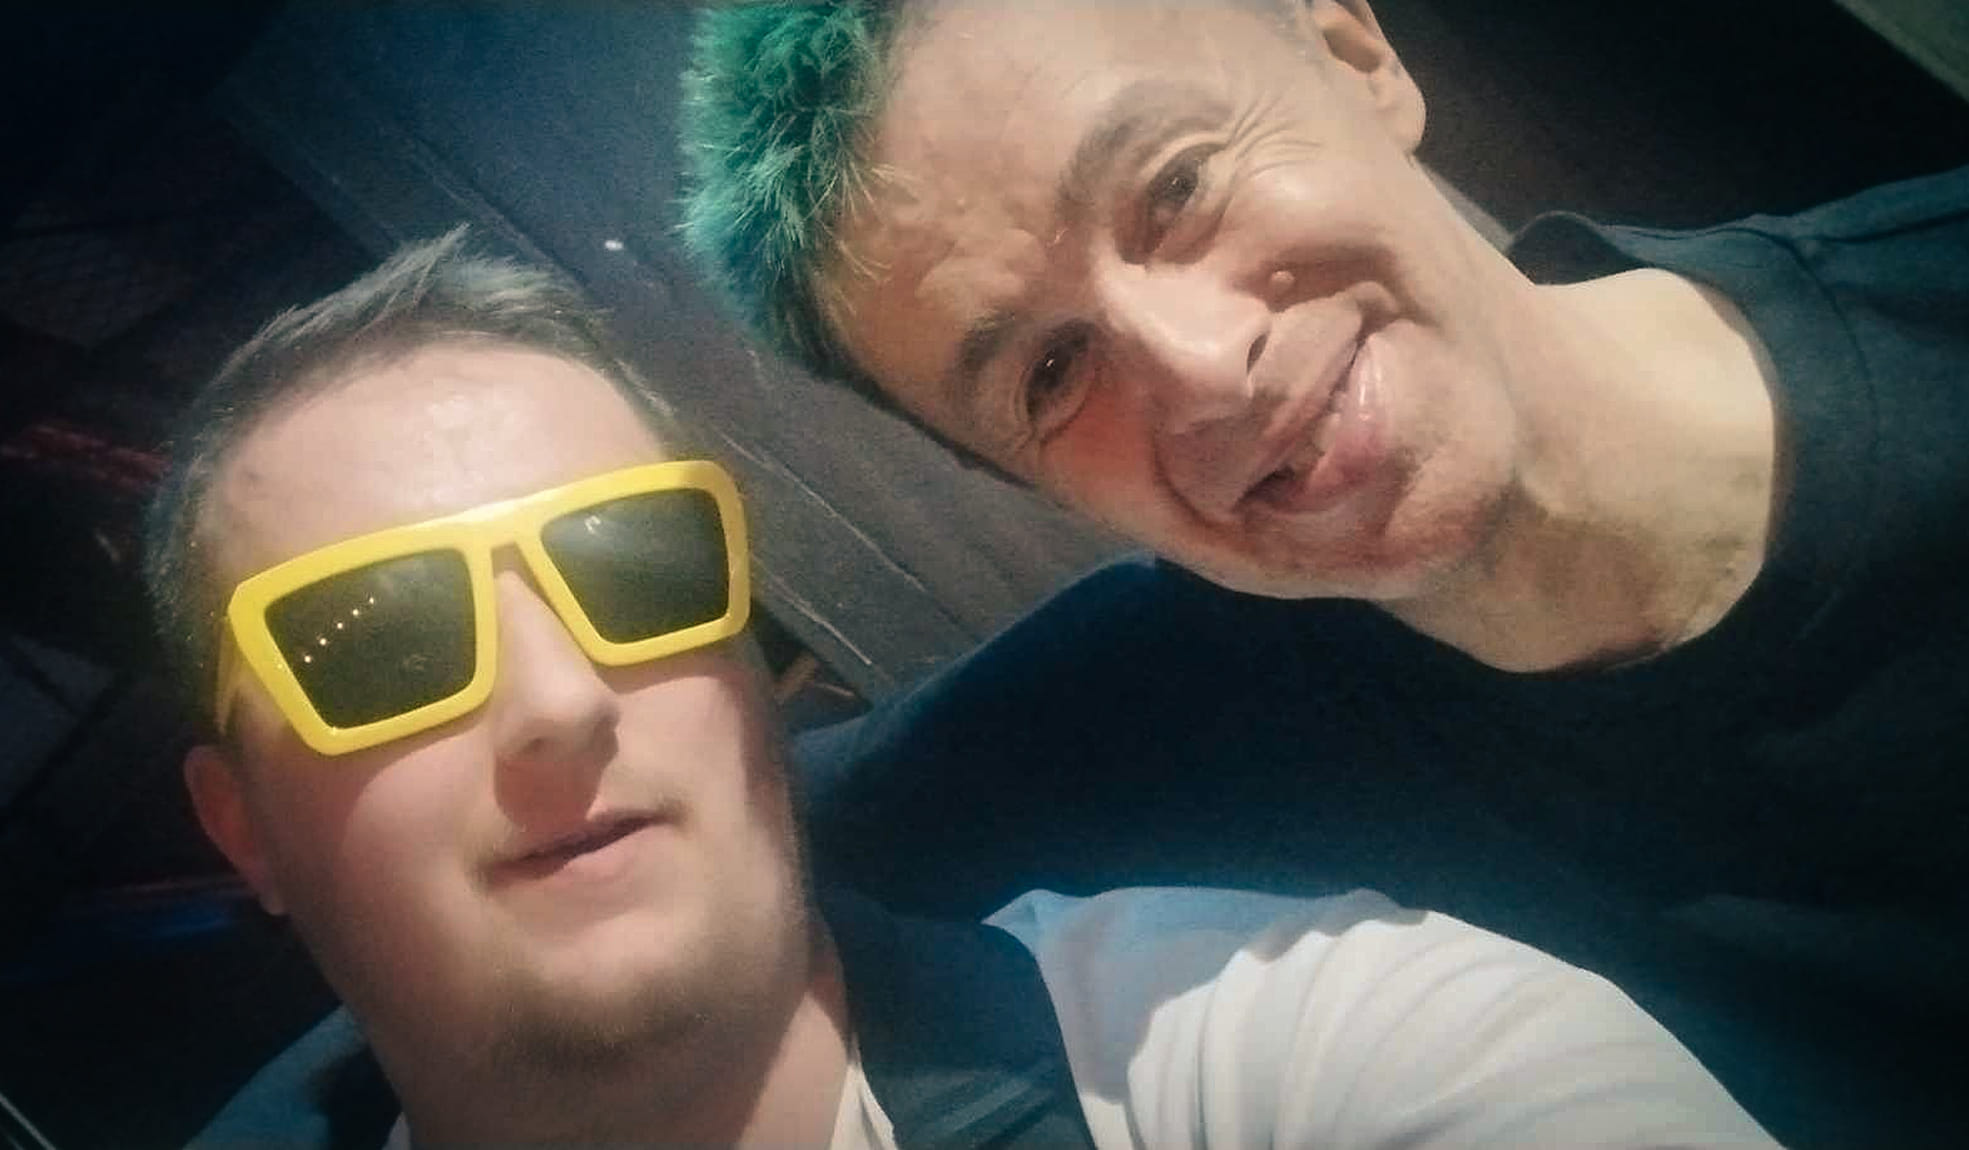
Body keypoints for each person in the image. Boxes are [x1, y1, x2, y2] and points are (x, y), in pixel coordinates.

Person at [676, 0, 1969, 1141]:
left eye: (1177, 186)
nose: (1203, 370)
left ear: (1352, 51)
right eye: (1050, 372)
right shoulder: (1135, 742)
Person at [143, 231, 1771, 1147]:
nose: (563, 698)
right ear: (244, 828)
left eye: (635, 567)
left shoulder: (1285, 1055)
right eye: (376, 641)